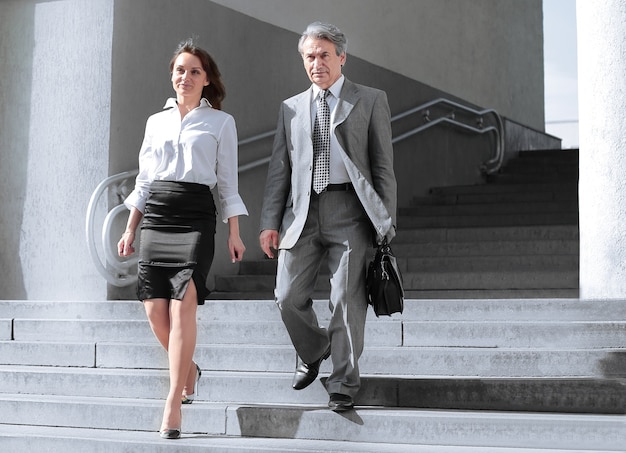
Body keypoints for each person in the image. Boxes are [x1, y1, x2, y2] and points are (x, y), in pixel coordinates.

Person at [259, 22, 397, 412]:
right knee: (286, 295)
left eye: (324, 54)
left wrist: (386, 222)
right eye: (309, 56)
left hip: (350, 211)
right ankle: (314, 347)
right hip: (301, 213)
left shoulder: (369, 99)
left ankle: (343, 384)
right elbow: (278, 170)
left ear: (341, 57)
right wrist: (270, 221)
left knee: (345, 299)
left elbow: (383, 166)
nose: (316, 62)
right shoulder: (290, 108)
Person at [118, 38, 248, 439]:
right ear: (171, 75)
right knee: (154, 310)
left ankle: (173, 403)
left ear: (207, 79)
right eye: (180, 70)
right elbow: (143, 179)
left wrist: (234, 232)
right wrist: (129, 227)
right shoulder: (155, 122)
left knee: (182, 306)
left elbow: (227, 182)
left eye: (194, 71)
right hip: (157, 212)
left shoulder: (221, 123)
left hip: (195, 216)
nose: (186, 77)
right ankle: (189, 368)